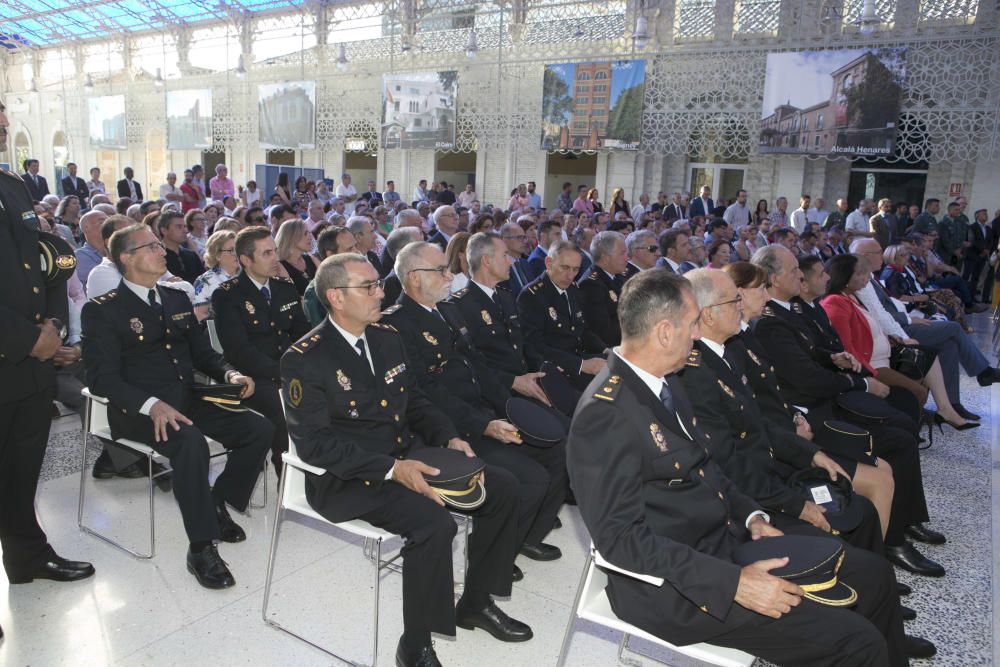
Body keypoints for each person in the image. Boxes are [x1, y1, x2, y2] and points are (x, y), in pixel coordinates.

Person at [567, 269, 913, 667]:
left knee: (874, 576)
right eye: (692, 323)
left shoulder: (665, 382)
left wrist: (751, 514)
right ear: (664, 332)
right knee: (858, 644)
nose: (697, 335)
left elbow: (705, 466)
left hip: (726, 542)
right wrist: (734, 584)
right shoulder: (605, 415)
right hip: (679, 589)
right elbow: (621, 541)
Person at [282, 253, 532, 666]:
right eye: (368, 287)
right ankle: (415, 644)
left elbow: (414, 399)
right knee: (434, 523)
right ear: (336, 298)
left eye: (378, 284)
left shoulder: (385, 338)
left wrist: (448, 435)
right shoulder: (305, 357)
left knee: (501, 486)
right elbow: (314, 445)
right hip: (350, 477)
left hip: (403, 454)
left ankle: (475, 602)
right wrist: (393, 470)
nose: (380, 292)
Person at [81, 224, 271, 589]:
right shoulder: (103, 311)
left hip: (186, 399)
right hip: (137, 411)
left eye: (159, 244)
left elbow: (202, 354)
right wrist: (150, 405)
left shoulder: (174, 298)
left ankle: (217, 503)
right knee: (190, 444)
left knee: (257, 429)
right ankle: (201, 548)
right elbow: (102, 379)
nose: (161, 251)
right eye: (151, 246)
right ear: (127, 258)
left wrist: (230, 374)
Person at [750, 245, 945, 578]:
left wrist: (835, 359)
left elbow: (816, 350)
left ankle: (905, 522)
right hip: (812, 411)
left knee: (900, 428)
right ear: (772, 277)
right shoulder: (769, 323)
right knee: (896, 437)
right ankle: (893, 540)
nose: (801, 274)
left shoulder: (794, 307)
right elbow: (804, 379)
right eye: (794, 268)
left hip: (825, 399)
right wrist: (859, 384)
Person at [382, 241, 565, 564]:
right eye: (440, 270)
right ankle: (489, 560)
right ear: (413, 278)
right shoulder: (395, 325)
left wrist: (508, 404)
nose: (450, 276)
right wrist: (483, 425)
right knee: (529, 479)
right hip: (447, 428)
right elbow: (424, 392)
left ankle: (524, 538)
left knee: (560, 450)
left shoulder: (448, 309)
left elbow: (476, 363)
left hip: (481, 411)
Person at [723, 261, 896, 540]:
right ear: (739, 295)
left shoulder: (746, 336)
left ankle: (887, 546)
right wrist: (795, 429)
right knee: (879, 480)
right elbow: (752, 411)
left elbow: (774, 390)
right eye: (760, 289)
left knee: (885, 466)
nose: (766, 297)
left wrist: (794, 416)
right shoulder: (740, 341)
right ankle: (879, 557)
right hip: (777, 445)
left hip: (791, 426)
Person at [0, 122, 95, 595]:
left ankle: (27, 557)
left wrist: (54, 325)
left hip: (34, 360)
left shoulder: (12, 185)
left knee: (22, 469)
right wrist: (21, 337)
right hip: (10, 349)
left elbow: (49, 260)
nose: (2, 129)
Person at [820, 254, 974, 430]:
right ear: (845, 277)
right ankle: (908, 427)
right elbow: (846, 346)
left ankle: (937, 411)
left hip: (882, 354)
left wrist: (891, 339)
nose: (866, 278)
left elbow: (869, 326)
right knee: (918, 390)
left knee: (927, 355)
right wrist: (869, 372)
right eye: (860, 274)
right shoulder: (835, 302)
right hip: (871, 364)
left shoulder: (850, 297)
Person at [212, 227, 310, 473]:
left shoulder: (284, 288)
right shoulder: (227, 295)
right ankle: (287, 479)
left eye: (274, 251)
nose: (275, 258)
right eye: (266, 253)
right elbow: (238, 350)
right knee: (285, 410)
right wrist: (284, 372)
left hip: (288, 369)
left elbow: (303, 334)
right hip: (252, 378)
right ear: (245, 260)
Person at [518, 240, 607, 389]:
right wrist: (582, 365)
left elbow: (582, 329)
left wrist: (604, 349)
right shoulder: (531, 296)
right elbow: (535, 346)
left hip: (578, 359)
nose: (570, 275)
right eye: (565, 267)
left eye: (575, 269)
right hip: (556, 369)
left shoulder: (572, 289)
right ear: (548, 263)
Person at [578, 231, 628, 348]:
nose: (627, 258)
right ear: (605, 258)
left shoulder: (618, 276)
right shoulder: (591, 285)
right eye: (622, 253)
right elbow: (604, 333)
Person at [191, 230, 239, 321]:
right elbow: (200, 315)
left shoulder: (248, 274)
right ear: (217, 255)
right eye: (232, 250)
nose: (237, 253)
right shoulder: (204, 281)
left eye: (238, 249)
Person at [158, 211, 205, 284]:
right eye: (179, 227)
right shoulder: (157, 257)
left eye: (185, 226)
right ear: (164, 230)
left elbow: (203, 282)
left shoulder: (191, 255)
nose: (185, 231)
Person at [276, 218, 319, 295]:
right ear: (292, 237)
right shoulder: (280, 266)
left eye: (309, 233)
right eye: (305, 233)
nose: (310, 237)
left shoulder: (311, 259)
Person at [75, 210, 110, 287]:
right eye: (102, 222)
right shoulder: (78, 257)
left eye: (109, 221)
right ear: (86, 228)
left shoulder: (120, 250)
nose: (108, 225)